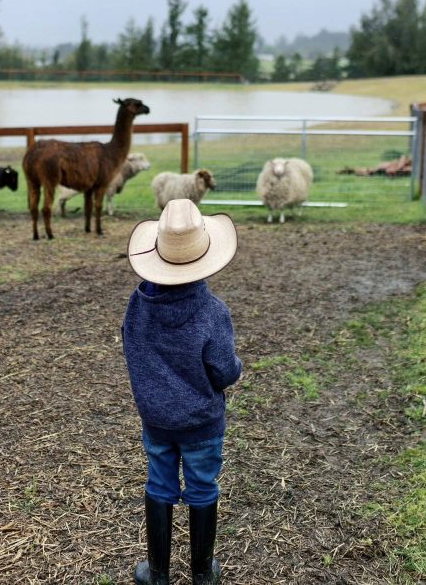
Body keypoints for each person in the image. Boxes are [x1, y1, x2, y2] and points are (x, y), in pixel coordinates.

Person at [122, 199, 242, 585]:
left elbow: (132, 352)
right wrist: (236, 368)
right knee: (203, 485)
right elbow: (224, 371)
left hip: (156, 419)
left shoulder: (138, 306)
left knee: (159, 483)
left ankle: (157, 574)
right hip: (202, 422)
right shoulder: (212, 312)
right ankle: (202, 573)